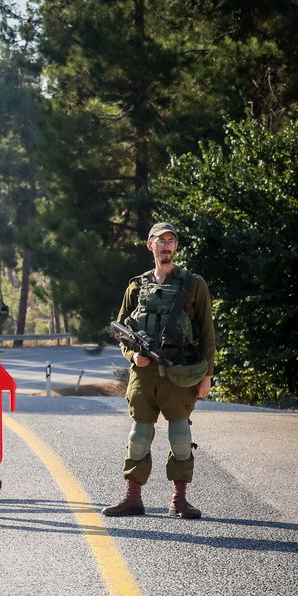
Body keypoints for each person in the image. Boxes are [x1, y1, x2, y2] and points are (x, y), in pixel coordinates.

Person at [102, 222, 215, 518]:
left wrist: (207, 376)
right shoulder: (136, 286)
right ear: (149, 245)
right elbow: (121, 330)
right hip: (144, 374)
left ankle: (179, 499)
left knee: (179, 434)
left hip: (179, 371)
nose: (166, 246)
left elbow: (207, 332)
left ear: (175, 246)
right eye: (160, 241)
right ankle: (132, 497)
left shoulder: (193, 284)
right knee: (138, 434)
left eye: (171, 240)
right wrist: (132, 356)